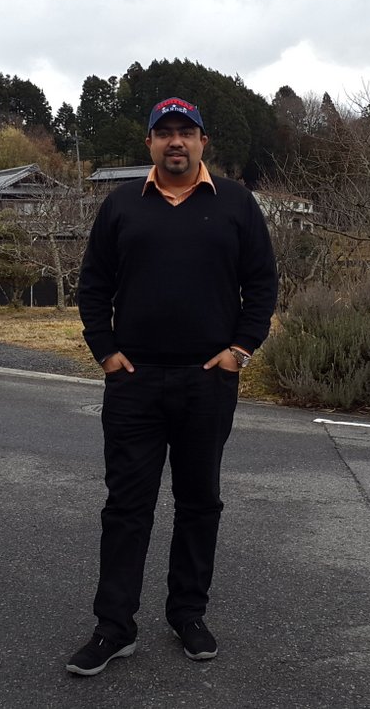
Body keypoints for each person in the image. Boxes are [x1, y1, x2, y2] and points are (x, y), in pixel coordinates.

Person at [65, 97, 279, 676]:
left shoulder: (235, 203)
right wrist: (105, 351)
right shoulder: (120, 205)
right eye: (165, 133)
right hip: (133, 381)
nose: (176, 141)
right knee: (126, 506)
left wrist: (239, 351)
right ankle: (114, 626)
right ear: (150, 144)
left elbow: (262, 284)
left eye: (187, 132)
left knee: (199, 502)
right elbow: (93, 284)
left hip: (207, 381)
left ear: (203, 142)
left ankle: (188, 613)